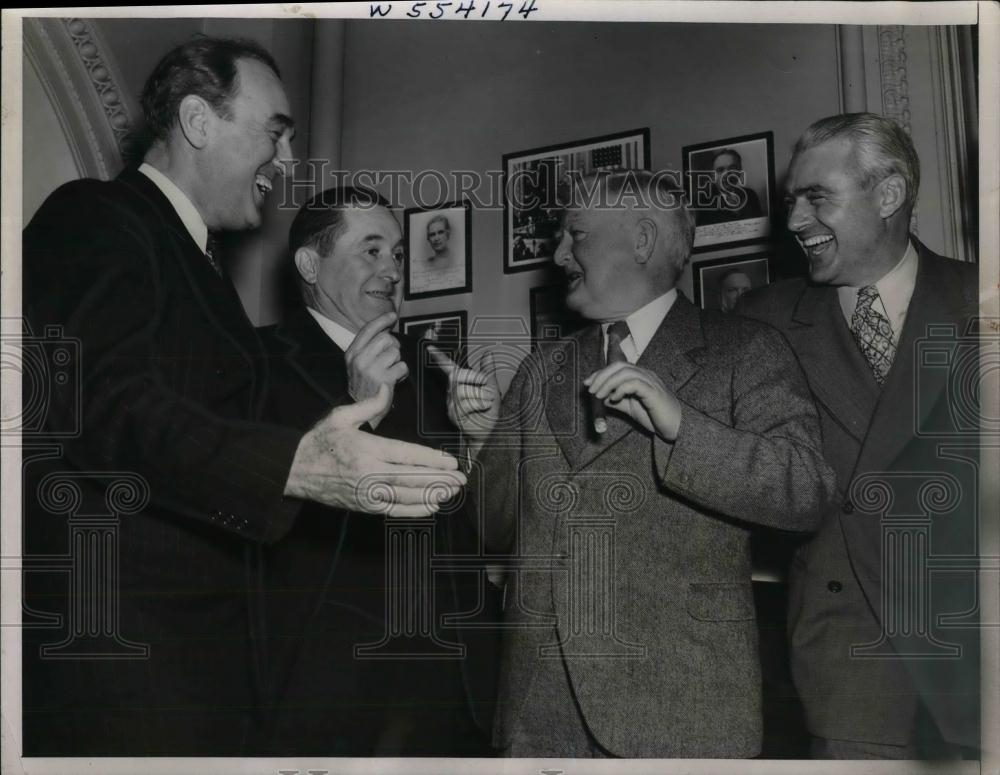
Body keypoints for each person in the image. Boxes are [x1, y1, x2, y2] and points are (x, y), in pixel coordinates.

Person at [21, 37, 463, 756]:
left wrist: (352, 420)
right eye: (275, 133)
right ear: (199, 122)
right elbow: (101, 405)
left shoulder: (199, 266)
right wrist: (293, 465)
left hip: (207, 677)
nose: (287, 164)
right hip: (128, 680)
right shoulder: (95, 216)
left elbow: (210, 435)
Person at [447, 169, 836, 758]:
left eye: (574, 233)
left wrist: (680, 424)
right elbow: (492, 529)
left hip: (683, 712)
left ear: (643, 240)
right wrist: (479, 439)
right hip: (540, 718)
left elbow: (805, 492)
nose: (557, 255)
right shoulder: (538, 371)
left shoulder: (745, 350)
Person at [738, 112, 980, 759]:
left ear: (889, 194)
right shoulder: (761, 322)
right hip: (850, 663)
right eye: (793, 201)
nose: (794, 222)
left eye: (818, 198)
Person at [260, 186, 499, 756]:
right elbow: (267, 524)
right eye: (371, 250)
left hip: (462, 683)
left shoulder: (438, 366)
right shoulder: (256, 365)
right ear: (310, 264)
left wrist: (485, 439)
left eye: (396, 253)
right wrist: (360, 407)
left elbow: (489, 527)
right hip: (340, 690)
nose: (392, 269)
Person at [697, 148, 764, 226]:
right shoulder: (704, 201)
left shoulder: (751, 195)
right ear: (713, 175)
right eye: (720, 170)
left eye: (732, 168)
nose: (726, 174)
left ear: (740, 171)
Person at [409, 213, 464, 292]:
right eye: (432, 234)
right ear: (428, 239)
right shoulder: (426, 265)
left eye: (440, 232)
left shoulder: (458, 260)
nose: (436, 238)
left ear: (447, 234)